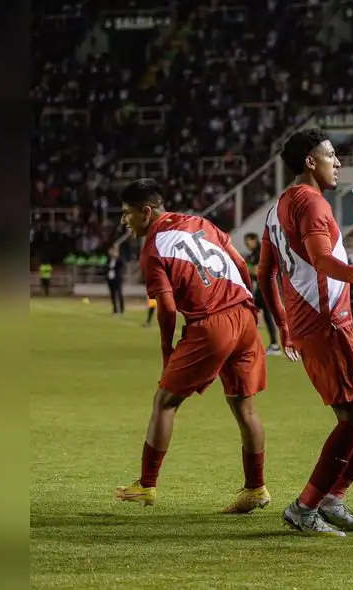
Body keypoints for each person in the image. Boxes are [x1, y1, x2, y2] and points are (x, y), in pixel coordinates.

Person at [258, 128, 353, 537]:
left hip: (322, 324)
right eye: (331, 155)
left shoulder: (277, 207)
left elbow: (265, 273)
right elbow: (321, 260)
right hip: (324, 324)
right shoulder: (313, 205)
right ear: (309, 161)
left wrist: (283, 326)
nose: (337, 162)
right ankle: (304, 507)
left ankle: (333, 499)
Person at [113, 178, 270, 514]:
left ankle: (146, 484)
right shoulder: (201, 222)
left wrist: (167, 350)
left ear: (146, 211)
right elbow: (241, 265)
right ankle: (256, 488)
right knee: (246, 408)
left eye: (127, 214)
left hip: (213, 324)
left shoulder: (154, 248)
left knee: (165, 401)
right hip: (244, 315)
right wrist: (246, 305)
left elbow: (167, 309)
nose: (124, 221)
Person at [242, 232, 282, 355]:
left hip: (266, 288)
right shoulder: (255, 253)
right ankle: (270, 344)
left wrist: (244, 267)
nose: (246, 245)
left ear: (253, 240)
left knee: (253, 314)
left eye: (247, 242)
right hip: (262, 288)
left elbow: (256, 271)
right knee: (254, 314)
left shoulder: (260, 252)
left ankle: (274, 345)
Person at [106, 245, 126, 315]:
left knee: (119, 294)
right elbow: (106, 267)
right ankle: (115, 310)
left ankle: (122, 310)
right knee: (112, 295)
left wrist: (117, 256)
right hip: (110, 278)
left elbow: (123, 264)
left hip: (117, 279)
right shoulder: (109, 259)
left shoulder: (119, 259)